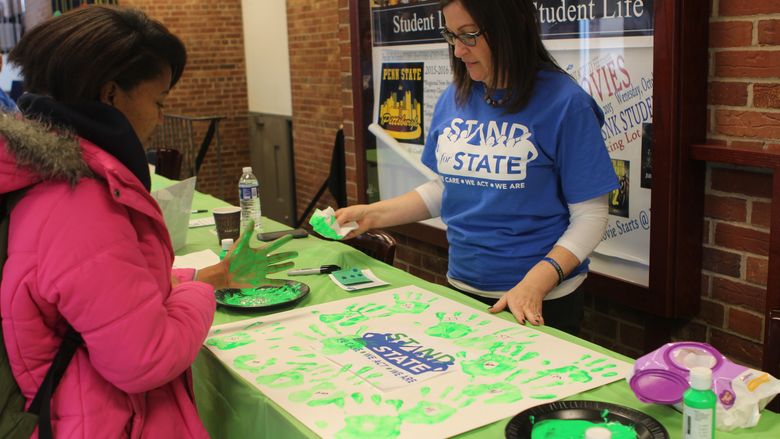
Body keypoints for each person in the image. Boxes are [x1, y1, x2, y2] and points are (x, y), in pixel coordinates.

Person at [0, 6, 294, 437]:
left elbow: (104, 295)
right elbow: (145, 358)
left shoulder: (47, 175)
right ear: (111, 95)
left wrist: (212, 276)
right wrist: (199, 295)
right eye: (158, 101)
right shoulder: (80, 203)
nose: (160, 117)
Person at [336, 0, 618, 335]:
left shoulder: (565, 103)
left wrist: (537, 282)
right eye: (451, 35)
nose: (457, 51)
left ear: (510, 29)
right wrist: (373, 215)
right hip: (462, 288)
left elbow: (591, 215)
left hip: (539, 300)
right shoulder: (456, 95)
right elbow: (449, 187)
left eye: (469, 36)